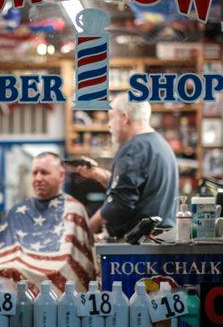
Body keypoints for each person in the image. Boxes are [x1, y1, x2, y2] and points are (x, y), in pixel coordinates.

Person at [0, 152, 95, 293]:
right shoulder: (18, 210)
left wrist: (22, 267)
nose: (38, 178)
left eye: (44, 173)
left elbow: (71, 262)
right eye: (35, 173)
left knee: (13, 271)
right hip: (12, 268)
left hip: (51, 272)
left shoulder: (73, 209)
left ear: (61, 175)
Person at [75, 93, 179, 239]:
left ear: (124, 117)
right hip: (159, 240)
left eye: (111, 117)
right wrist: (99, 174)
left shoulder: (133, 149)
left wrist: (88, 229)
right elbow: (134, 189)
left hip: (139, 248)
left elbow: (120, 202)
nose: (108, 125)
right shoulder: (158, 143)